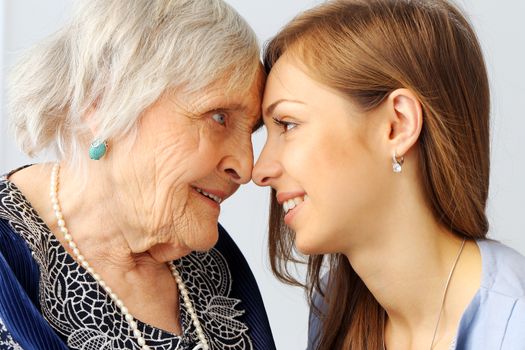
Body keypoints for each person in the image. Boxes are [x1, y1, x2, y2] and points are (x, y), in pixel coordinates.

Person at [0, 1, 277, 349]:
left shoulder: (216, 264)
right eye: (218, 117)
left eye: (251, 131)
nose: (246, 166)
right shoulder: (9, 261)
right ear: (103, 99)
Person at [252, 0, 525, 349]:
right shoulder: (334, 313)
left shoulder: (514, 323)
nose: (259, 171)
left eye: (288, 124)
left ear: (398, 125)